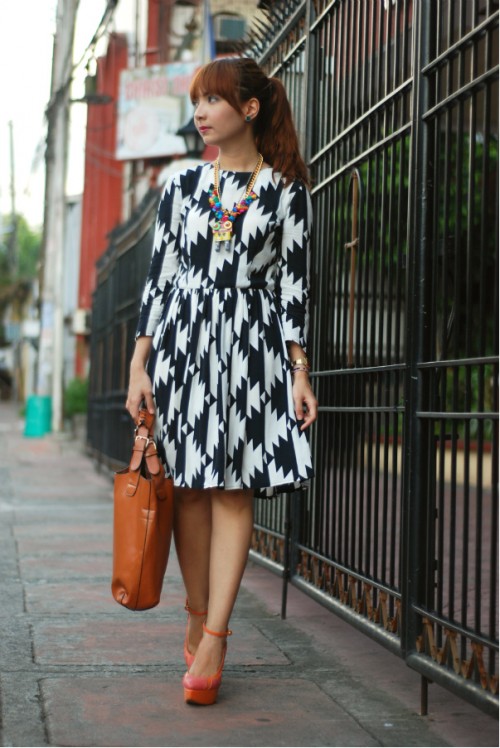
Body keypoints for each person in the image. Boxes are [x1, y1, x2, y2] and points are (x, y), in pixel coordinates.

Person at [126, 56, 318, 706]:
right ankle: (197, 609)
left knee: (234, 489)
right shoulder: (182, 185)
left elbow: (293, 288)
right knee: (188, 489)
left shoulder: (286, 192)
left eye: (211, 100)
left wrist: (300, 372)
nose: (200, 112)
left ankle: (215, 635)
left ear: (250, 108)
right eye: (196, 102)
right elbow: (159, 277)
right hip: (183, 348)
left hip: (250, 352)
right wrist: (139, 362)